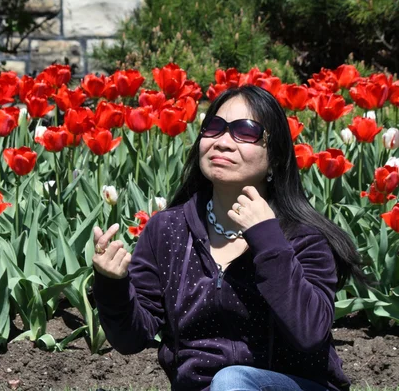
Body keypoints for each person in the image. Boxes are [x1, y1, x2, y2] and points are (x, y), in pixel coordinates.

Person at [91, 85, 366, 391]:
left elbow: (310, 333)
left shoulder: (302, 238)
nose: (222, 142)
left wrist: (268, 240)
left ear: (274, 156)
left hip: (293, 385)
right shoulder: (167, 230)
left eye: (245, 132)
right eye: (214, 128)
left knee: (231, 380)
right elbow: (130, 339)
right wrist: (112, 284)